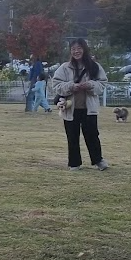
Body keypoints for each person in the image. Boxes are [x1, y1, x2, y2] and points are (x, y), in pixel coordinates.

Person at [50, 38, 108, 171]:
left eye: (79, 48)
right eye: (73, 49)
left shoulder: (95, 67)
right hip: (70, 108)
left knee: (92, 135)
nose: (76, 51)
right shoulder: (64, 68)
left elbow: (102, 84)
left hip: (89, 108)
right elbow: (56, 84)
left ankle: (98, 160)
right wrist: (71, 86)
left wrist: (91, 85)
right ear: (70, 51)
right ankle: (74, 163)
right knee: (72, 136)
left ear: (84, 49)